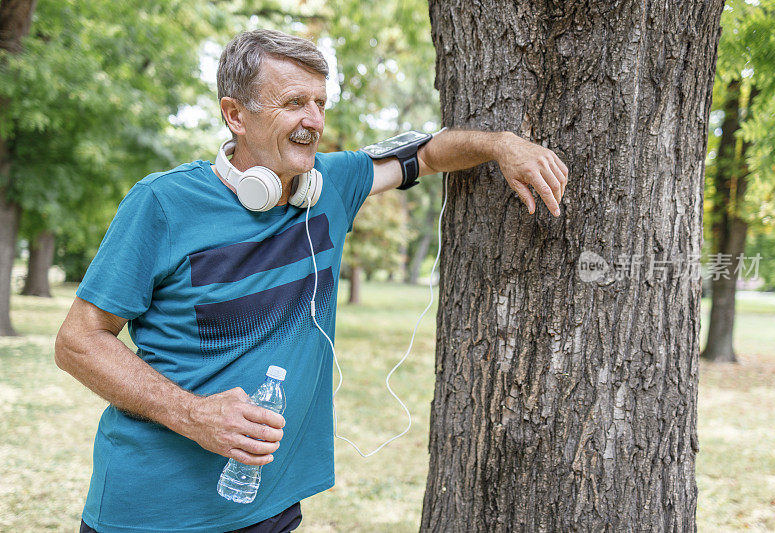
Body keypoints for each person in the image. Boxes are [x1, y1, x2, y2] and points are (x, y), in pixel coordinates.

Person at [54, 29, 568, 533]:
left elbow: (427, 153)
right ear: (235, 115)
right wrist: (192, 414)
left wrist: (503, 145)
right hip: (154, 512)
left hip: (272, 504)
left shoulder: (329, 187)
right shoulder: (162, 204)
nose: (314, 122)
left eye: (321, 103)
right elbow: (78, 341)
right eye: (295, 102)